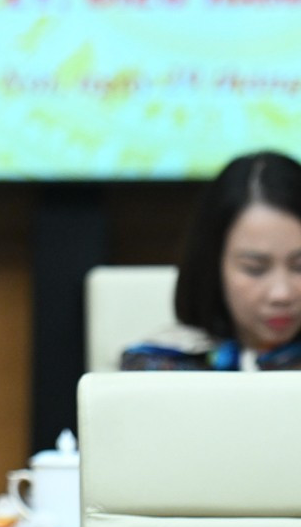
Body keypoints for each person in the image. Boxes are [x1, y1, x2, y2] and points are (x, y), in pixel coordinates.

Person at [122, 150, 301, 371]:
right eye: (255, 269)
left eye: (299, 266)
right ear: (213, 265)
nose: (281, 294)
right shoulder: (159, 368)